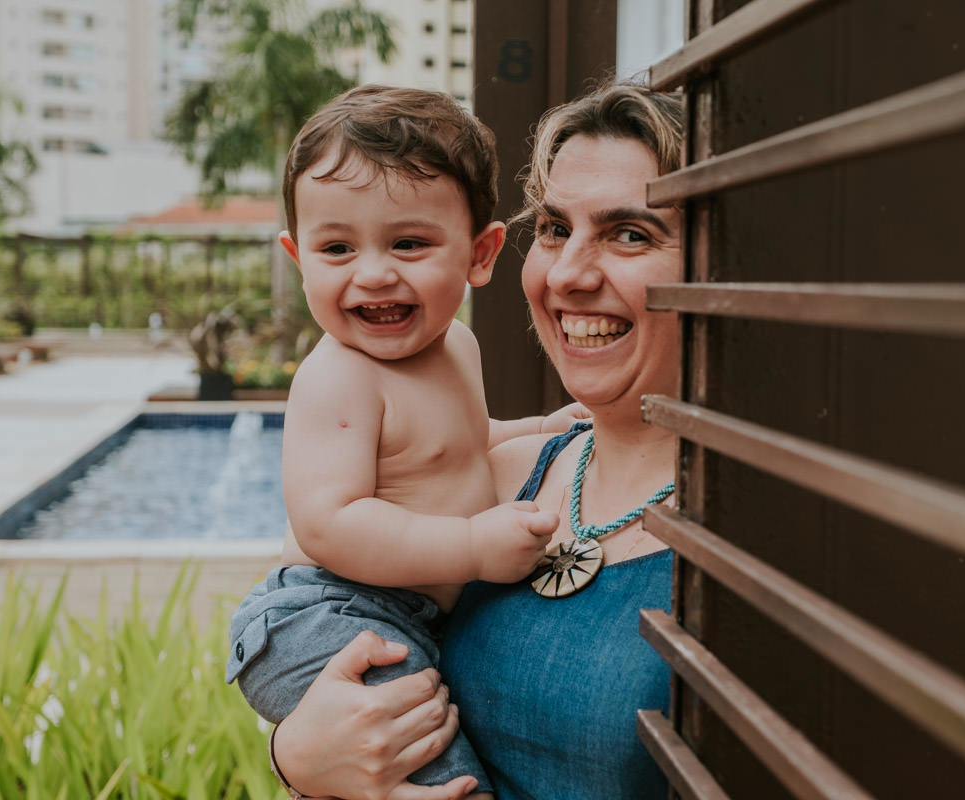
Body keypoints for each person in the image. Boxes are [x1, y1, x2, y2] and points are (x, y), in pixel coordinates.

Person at [266, 81, 685, 800]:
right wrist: (297, 756)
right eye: (554, 228)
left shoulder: (756, 533)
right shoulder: (502, 476)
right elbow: (322, 589)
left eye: (629, 234)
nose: (569, 273)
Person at [224, 85, 587, 798]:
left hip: (401, 616)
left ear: (481, 254)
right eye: (337, 247)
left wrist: (538, 429)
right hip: (325, 613)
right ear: (301, 259)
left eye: (409, 243)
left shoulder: (457, 345)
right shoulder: (338, 378)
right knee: (428, 755)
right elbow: (330, 523)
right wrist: (474, 547)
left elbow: (461, 444)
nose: (373, 272)